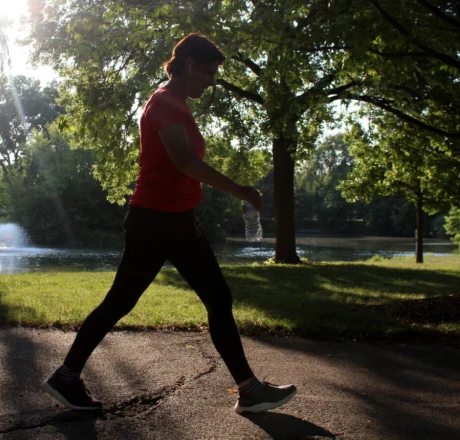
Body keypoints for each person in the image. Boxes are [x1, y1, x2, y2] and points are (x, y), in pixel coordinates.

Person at [43, 33, 296, 414]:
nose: (212, 82)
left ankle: (249, 389)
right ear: (190, 64)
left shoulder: (176, 103)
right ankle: (65, 376)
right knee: (121, 302)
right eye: (209, 73)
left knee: (215, 298)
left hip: (177, 222)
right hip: (155, 222)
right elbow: (184, 162)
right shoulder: (165, 104)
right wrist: (240, 190)